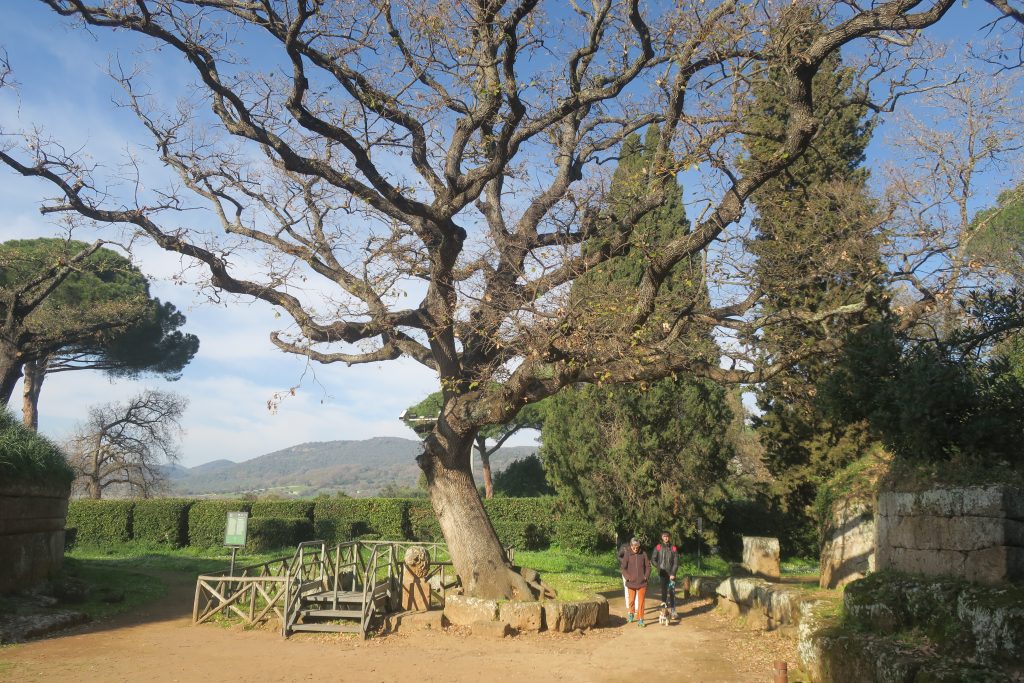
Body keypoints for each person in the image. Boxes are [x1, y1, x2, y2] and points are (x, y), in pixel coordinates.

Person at [619, 537, 651, 627]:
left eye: (637, 547)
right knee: (631, 600)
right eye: (633, 547)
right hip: (631, 582)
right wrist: (627, 577)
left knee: (641, 602)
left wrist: (646, 576)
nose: (635, 549)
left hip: (642, 583)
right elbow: (623, 567)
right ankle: (631, 613)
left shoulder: (643, 554)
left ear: (639, 546)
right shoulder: (627, 554)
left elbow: (648, 566)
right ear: (631, 546)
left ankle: (641, 619)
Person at [651, 531, 679, 619]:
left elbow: (676, 562)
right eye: (664, 536)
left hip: (671, 574)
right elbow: (653, 559)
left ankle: (673, 611)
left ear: (669, 537)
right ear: (662, 537)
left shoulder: (673, 548)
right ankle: (664, 611)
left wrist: (673, 573)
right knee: (663, 592)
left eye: (667, 536)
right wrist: (658, 567)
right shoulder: (658, 547)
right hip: (662, 574)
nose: (666, 538)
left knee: (672, 592)